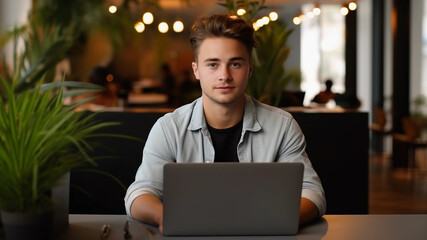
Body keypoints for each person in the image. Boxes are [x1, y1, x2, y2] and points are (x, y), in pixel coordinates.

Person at [125, 14, 326, 233]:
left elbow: (311, 192)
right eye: (213, 64)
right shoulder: (169, 129)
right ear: (196, 70)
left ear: (249, 69)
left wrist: (273, 221)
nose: (225, 75)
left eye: (235, 64)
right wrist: (166, 217)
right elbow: (140, 193)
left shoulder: (282, 127)